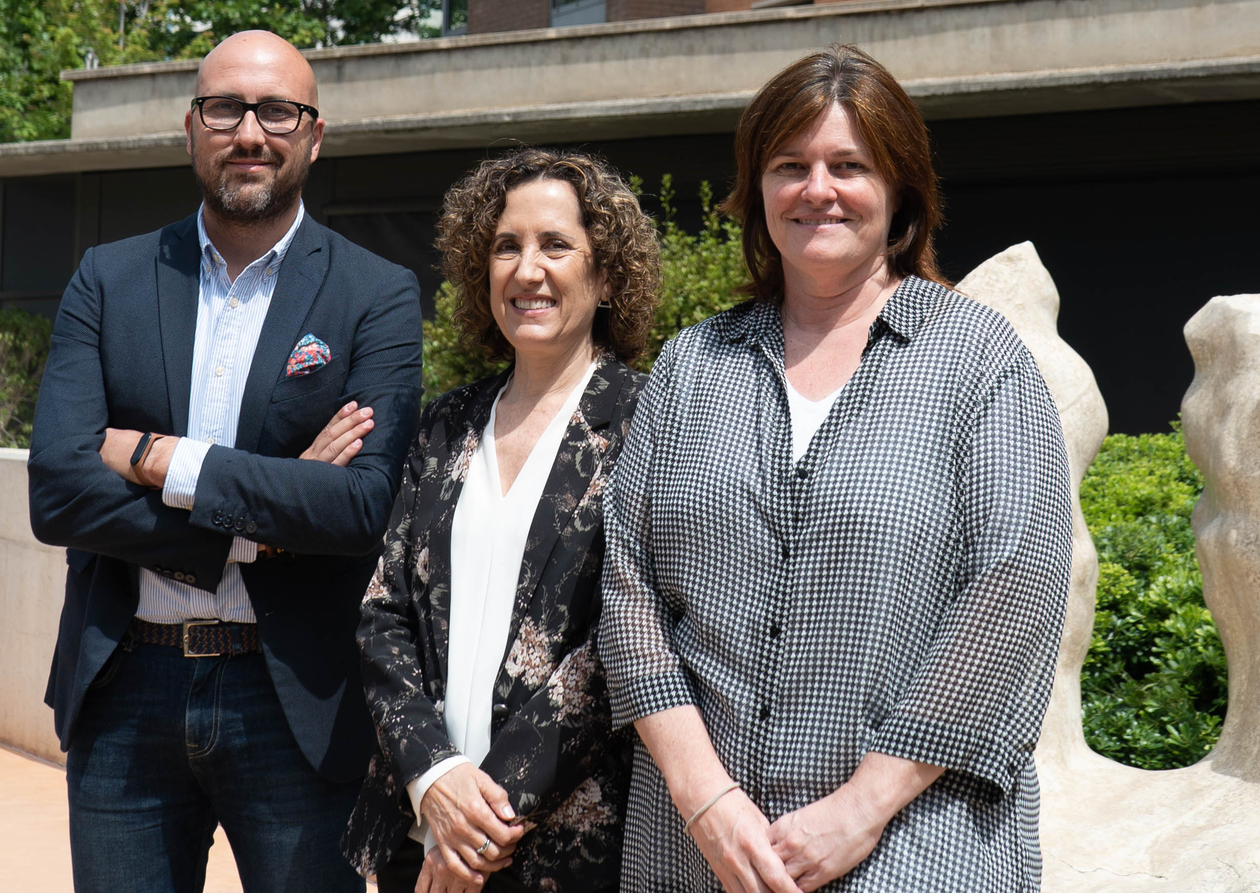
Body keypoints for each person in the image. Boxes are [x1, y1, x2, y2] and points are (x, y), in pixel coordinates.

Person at [599, 44, 1074, 893]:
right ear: (757, 191)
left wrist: (860, 806)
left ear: (900, 189)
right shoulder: (692, 364)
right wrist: (706, 798)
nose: (817, 188)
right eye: (790, 166)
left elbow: (1018, 585)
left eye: (848, 165)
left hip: (913, 840)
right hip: (699, 849)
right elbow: (627, 583)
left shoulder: (978, 358)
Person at [26, 31, 423, 893]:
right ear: (190, 127)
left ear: (313, 135)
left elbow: (360, 507)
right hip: (124, 688)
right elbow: (57, 491)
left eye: (277, 111)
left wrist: (157, 457)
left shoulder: (376, 294)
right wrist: (258, 525)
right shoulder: (108, 278)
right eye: (225, 109)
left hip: (293, 700)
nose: (250, 132)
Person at [341, 147, 659, 893]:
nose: (526, 269)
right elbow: (383, 614)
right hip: (419, 831)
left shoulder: (650, 420)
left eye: (555, 245)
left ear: (607, 275)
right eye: (506, 246)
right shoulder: (446, 422)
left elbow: (624, 640)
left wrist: (482, 823)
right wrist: (435, 779)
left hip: (554, 851)